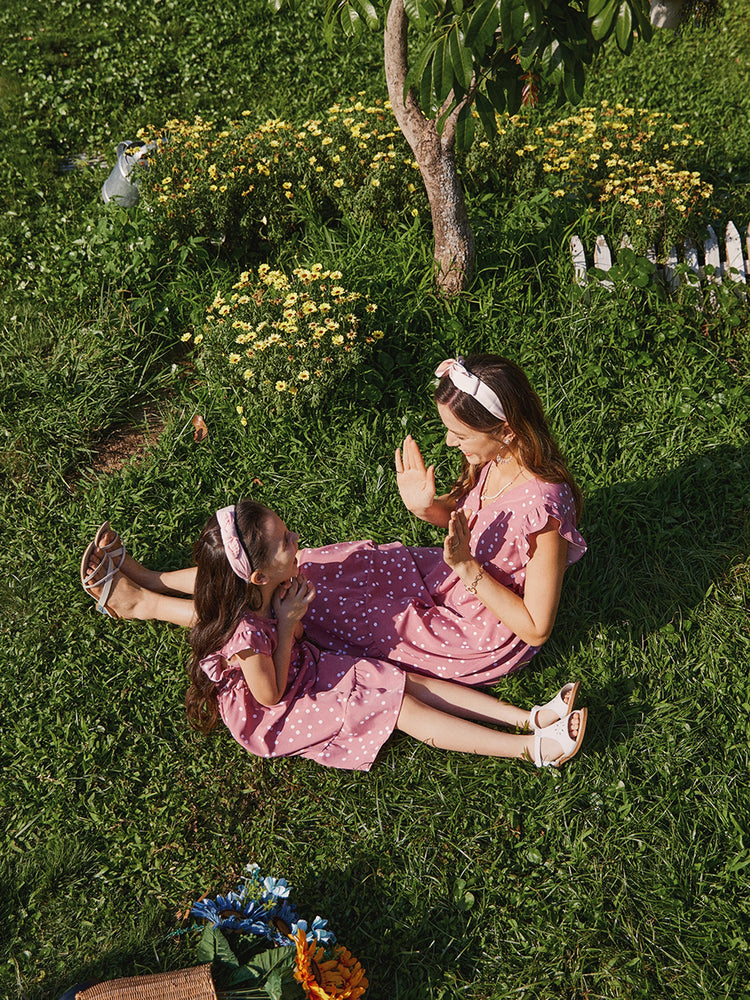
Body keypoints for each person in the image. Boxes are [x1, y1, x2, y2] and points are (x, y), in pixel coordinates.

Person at [80, 352, 585, 687]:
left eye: (460, 434)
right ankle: (152, 577)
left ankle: (144, 603)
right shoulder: (494, 462)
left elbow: (537, 627)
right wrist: (428, 509)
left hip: (473, 627)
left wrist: (467, 568)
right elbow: (470, 525)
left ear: (508, 430)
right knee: (313, 569)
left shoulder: (543, 508)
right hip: (448, 579)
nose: (450, 443)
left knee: (294, 603)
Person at [81, 501, 587, 769]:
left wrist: (289, 621)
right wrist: (284, 627)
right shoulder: (248, 636)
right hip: (281, 698)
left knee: (397, 679)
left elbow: (227, 590)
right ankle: (532, 751)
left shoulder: (253, 591)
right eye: (285, 542)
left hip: (294, 657)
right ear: (259, 578)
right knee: (399, 704)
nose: (296, 539)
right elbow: (271, 693)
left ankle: (529, 717)